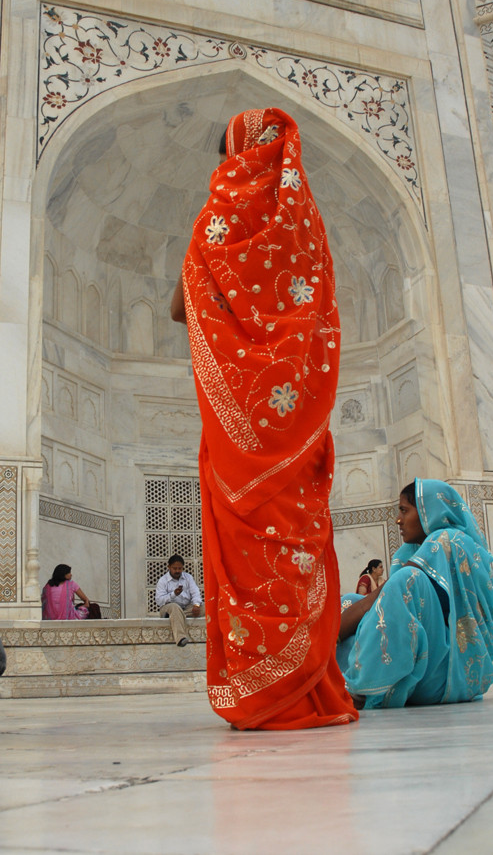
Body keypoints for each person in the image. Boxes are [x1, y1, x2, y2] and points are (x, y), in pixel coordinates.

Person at [171, 107, 358, 730]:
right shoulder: (307, 226)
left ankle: (261, 694)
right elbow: (321, 316)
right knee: (298, 547)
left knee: (248, 551)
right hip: (296, 426)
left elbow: (181, 308)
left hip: (236, 433)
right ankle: (310, 689)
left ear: (234, 153)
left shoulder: (213, 223)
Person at [337, 478, 493, 709]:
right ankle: (340, 679)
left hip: (450, 674)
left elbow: (382, 598)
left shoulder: (448, 540)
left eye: (404, 511)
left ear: (429, 511)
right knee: (348, 601)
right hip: (424, 670)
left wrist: (328, 632)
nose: (398, 520)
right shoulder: (410, 551)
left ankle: (360, 691)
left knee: (404, 581)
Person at [155, 554, 203, 647]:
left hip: (185, 608)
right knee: (174, 607)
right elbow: (159, 601)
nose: (177, 571)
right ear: (169, 567)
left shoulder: (188, 577)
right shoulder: (163, 580)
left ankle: (177, 616)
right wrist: (174, 594)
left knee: (206, 607)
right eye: (175, 568)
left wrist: (196, 605)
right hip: (168, 608)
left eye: (180, 568)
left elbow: (195, 592)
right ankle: (181, 638)